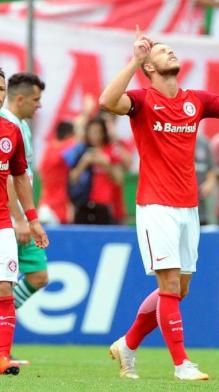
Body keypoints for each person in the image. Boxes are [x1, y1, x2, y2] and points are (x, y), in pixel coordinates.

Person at [99, 25, 219, 380]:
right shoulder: (141, 100)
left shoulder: (195, 100)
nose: (170, 52)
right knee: (170, 286)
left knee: (178, 290)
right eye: (162, 51)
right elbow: (108, 101)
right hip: (156, 205)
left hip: (188, 207)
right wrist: (134, 59)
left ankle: (127, 343)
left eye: (171, 49)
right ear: (149, 67)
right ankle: (181, 364)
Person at [0, 67, 49, 376]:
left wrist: (31, 219)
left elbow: (18, 176)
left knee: (5, 289)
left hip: (3, 221)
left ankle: (2, 357)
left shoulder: (11, 130)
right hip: (11, 220)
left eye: (0, 89)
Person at [63, 117, 124, 224]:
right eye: (91, 132)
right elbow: (72, 179)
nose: (94, 135)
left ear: (103, 133)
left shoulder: (111, 150)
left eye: (97, 132)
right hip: (83, 203)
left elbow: (119, 179)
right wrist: (84, 163)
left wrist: (105, 164)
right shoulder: (80, 150)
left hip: (104, 204)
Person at [38, 121, 76, 224]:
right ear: (69, 135)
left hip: (45, 205)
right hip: (58, 207)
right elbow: (78, 141)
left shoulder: (48, 148)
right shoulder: (65, 147)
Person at [195, 133, 217, 225]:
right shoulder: (174, 139)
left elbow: (211, 169)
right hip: (178, 203)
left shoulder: (203, 143)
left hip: (200, 203)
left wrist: (209, 183)